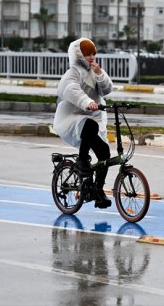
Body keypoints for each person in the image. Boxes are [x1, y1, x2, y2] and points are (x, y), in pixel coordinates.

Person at [53, 38, 114, 208]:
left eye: (93, 53)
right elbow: (70, 89)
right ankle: (81, 160)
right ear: (78, 54)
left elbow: (107, 90)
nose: (91, 57)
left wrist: (100, 73)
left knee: (104, 153)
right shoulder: (73, 73)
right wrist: (86, 102)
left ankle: (98, 190)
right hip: (72, 116)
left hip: (92, 117)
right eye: (87, 54)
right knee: (90, 125)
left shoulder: (94, 70)